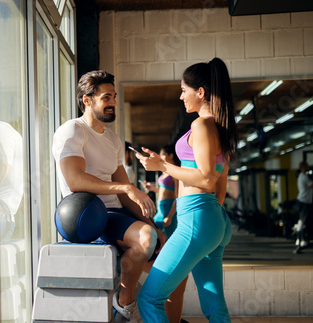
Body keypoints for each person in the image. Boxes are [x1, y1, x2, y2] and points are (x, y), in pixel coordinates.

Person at [52, 70, 163, 323]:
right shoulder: (72, 131)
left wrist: (153, 225)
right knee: (145, 240)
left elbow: (125, 194)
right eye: (106, 97)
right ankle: (125, 304)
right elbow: (75, 181)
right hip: (92, 214)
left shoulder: (113, 139)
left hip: (118, 213)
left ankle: (162, 315)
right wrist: (125, 189)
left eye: (113, 96)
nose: (112, 102)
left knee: (165, 251)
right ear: (87, 100)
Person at [135, 57, 237, 322]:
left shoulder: (201, 125)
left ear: (200, 92)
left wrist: (162, 166)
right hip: (213, 220)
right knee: (215, 308)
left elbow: (206, 179)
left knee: (149, 298)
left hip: (197, 220)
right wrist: (209, 217)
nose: (181, 96)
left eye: (184, 90)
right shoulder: (221, 128)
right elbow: (220, 186)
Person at [142, 144, 188, 323]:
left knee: (169, 248)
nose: (160, 157)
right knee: (160, 245)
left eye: (162, 154)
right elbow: (163, 191)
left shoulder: (175, 171)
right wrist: (151, 189)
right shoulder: (163, 172)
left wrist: (170, 215)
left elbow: (177, 195)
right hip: (160, 211)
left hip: (169, 210)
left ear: (170, 155)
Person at [293, 161, 313, 253]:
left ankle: (301, 240)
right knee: (303, 222)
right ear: (304, 167)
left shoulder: (302, 176)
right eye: (307, 166)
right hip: (304, 202)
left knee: (302, 221)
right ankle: (302, 241)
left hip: (303, 201)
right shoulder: (304, 177)